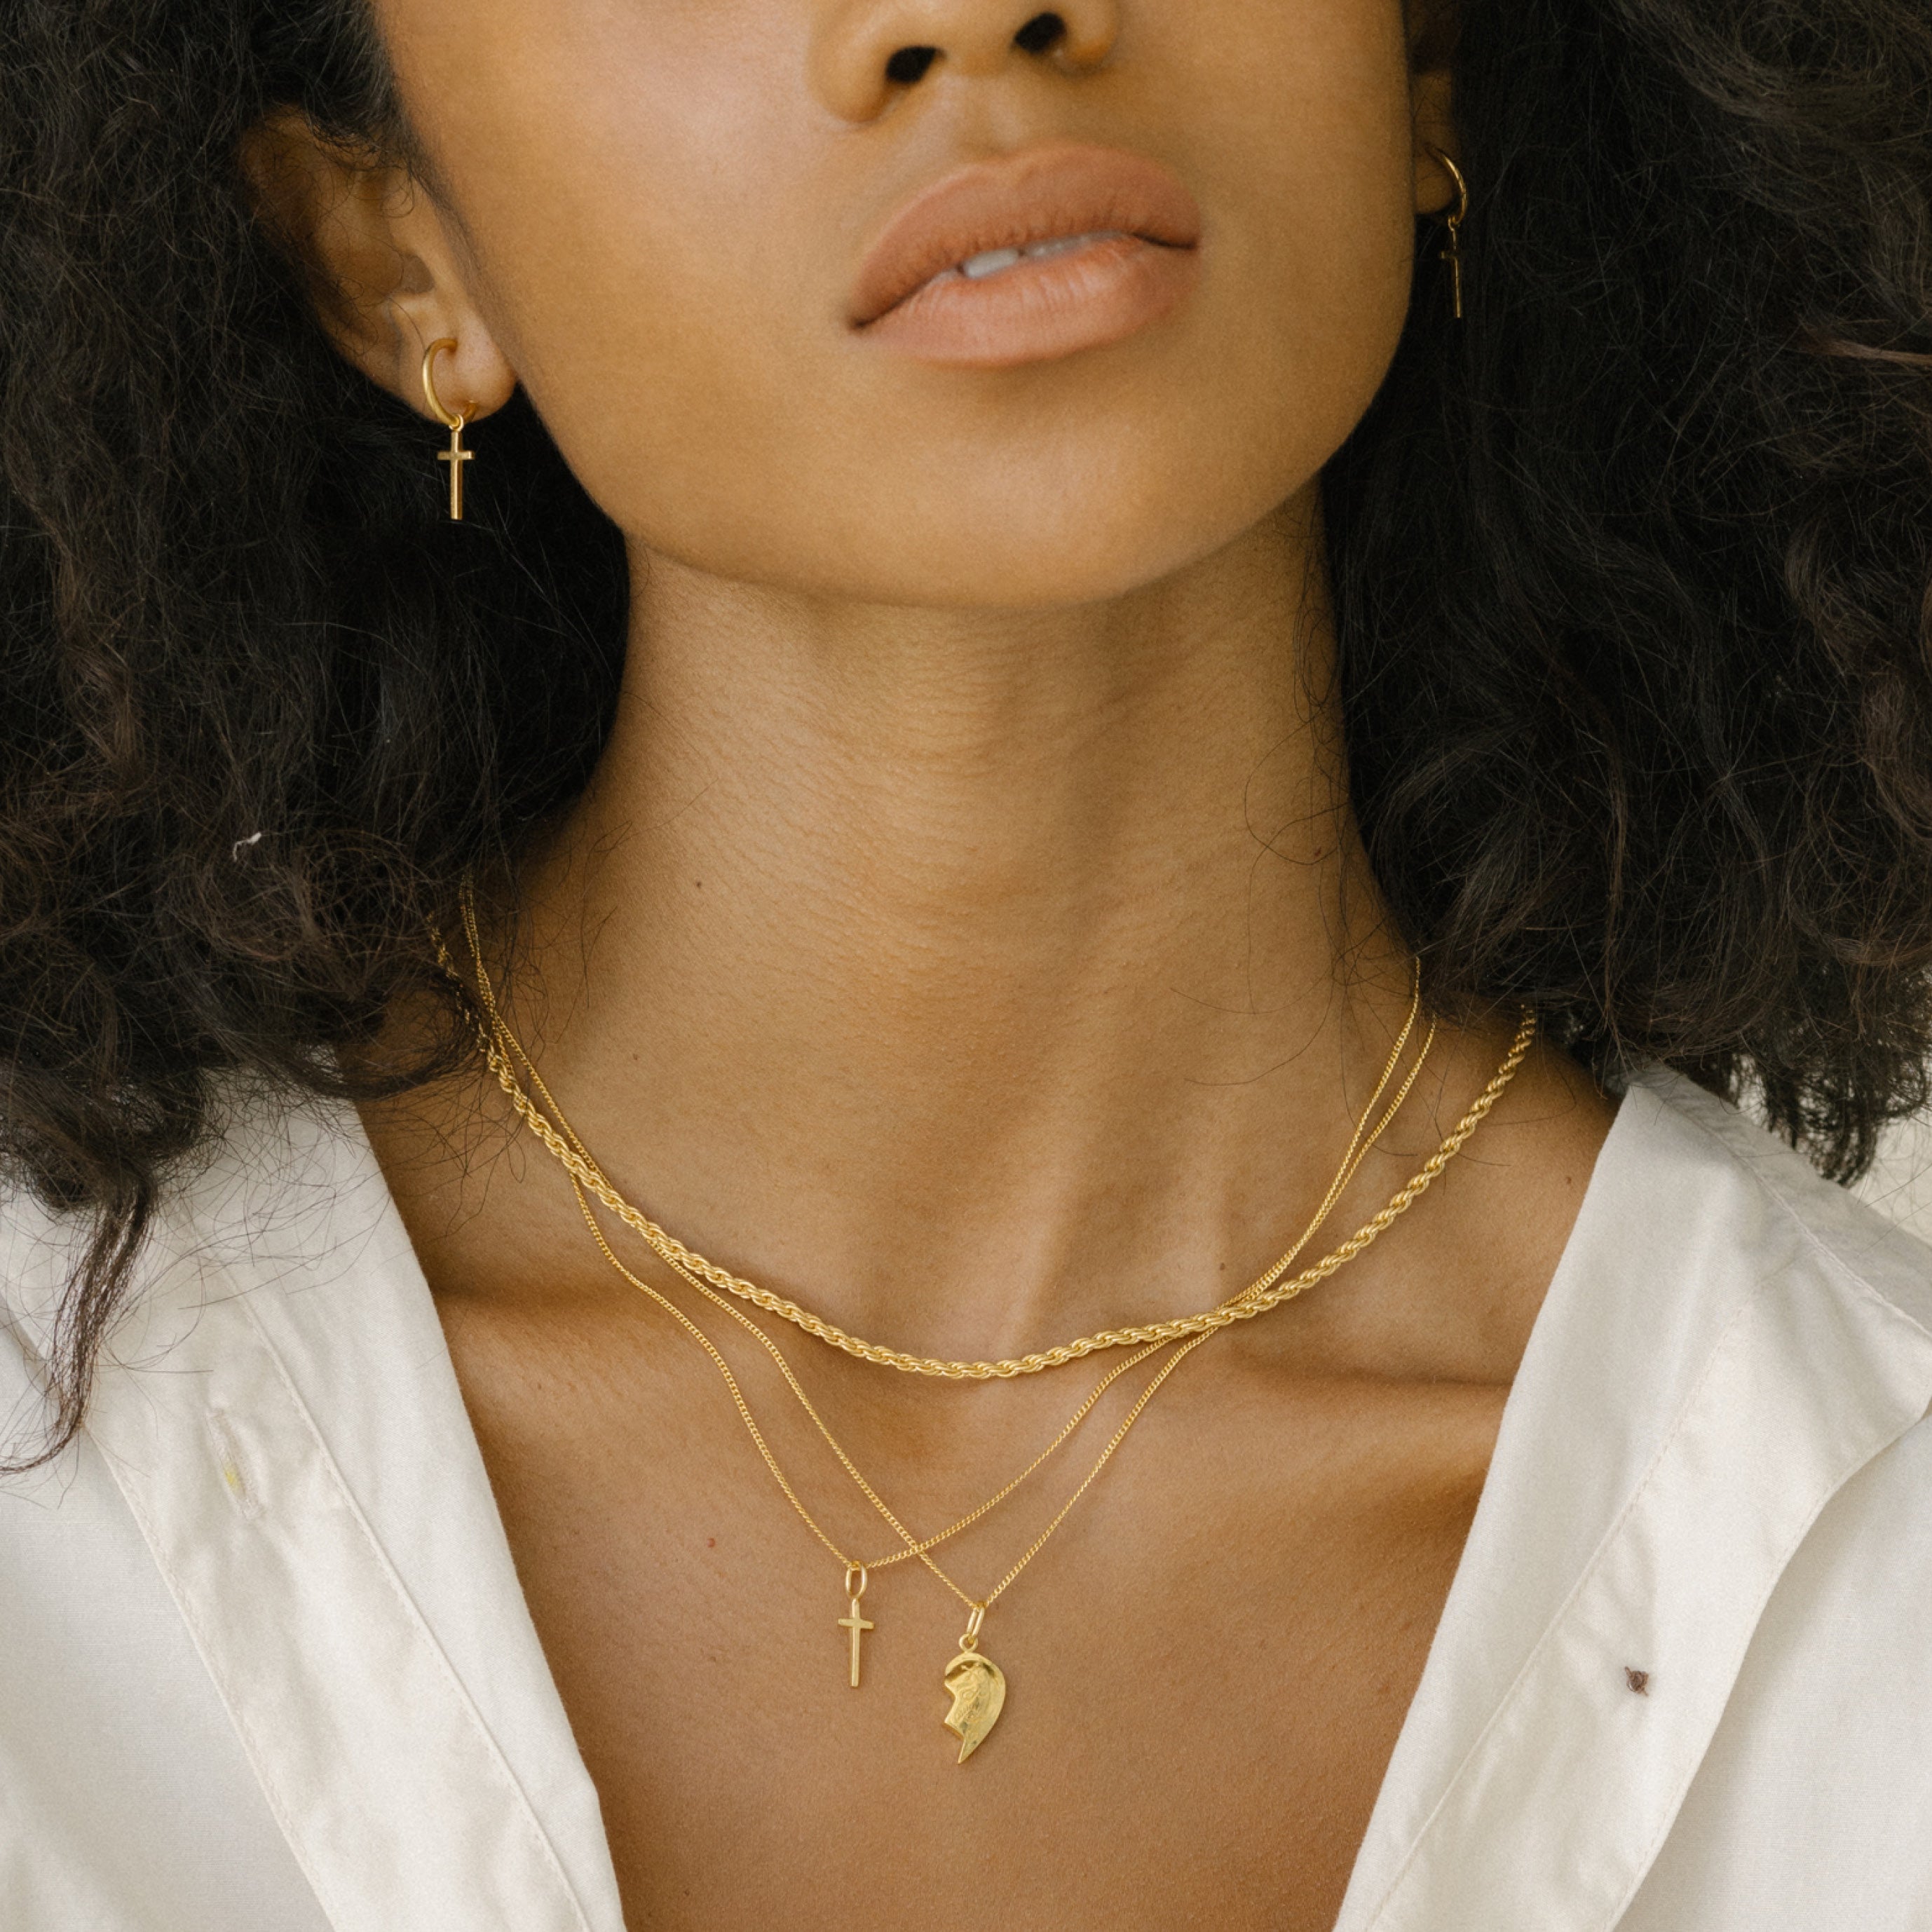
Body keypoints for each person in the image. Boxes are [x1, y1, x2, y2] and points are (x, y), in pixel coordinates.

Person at [3, 1, 1931, 1927]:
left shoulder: (1871, 1578)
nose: (964, 15)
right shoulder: (44, 1520)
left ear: (1423, 54)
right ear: (387, 249)